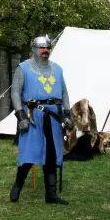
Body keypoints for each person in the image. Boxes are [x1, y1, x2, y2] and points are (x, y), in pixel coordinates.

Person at [10, 34, 73, 205]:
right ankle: (18, 184)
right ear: (35, 49)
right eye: (42, 48)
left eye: (47, 48)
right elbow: (15, 92)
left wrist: (67, 114)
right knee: (30, 152)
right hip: (33, 116)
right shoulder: (23, 68)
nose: (45, 51)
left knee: (51, 154)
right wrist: (20, 116)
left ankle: (51, 195)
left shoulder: (58, 69)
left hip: (53, 116)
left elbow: (64, 92)